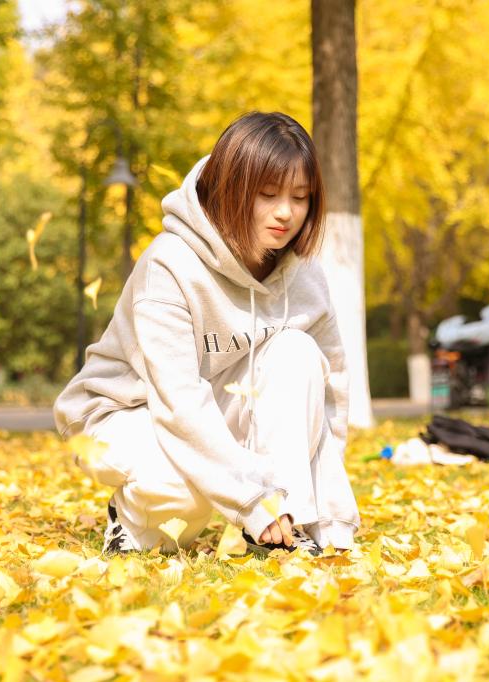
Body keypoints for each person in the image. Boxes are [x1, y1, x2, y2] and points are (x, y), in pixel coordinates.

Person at [53, 111, 360, 555]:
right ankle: (132, 523)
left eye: (300, 197)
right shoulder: (170, 265)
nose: (286, 213)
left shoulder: (304, 276)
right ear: (231, 188)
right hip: (123, 410)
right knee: (185, 491)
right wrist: (250, 499)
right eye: (267, 194)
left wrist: (326, 520)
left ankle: (281, 532)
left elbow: (329, 394)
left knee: (297, 352)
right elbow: (178, 401)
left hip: (214, 403)